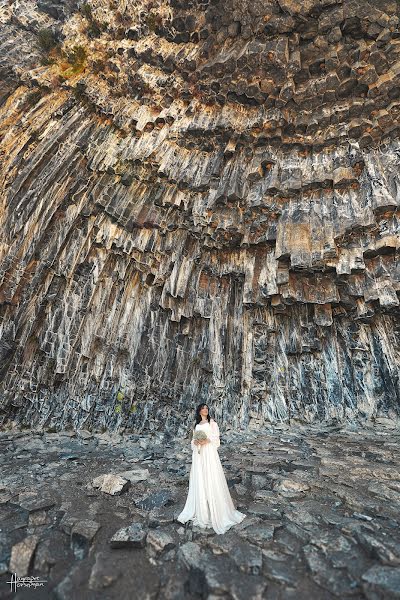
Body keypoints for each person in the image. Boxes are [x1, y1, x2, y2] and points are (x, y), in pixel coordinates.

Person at [177, 403, 246, 535]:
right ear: (199, 411)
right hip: (199, 455)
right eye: (203, 408)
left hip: (209, 453)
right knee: (200, 479)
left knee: (211, 477)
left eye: (207, 408)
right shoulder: (196, 426)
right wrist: (196, 442)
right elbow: (192, 442)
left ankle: (217, 510)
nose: (205, 410)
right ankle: (203, 510)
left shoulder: (212, 423)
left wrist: (206, 440)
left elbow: (216, 439)